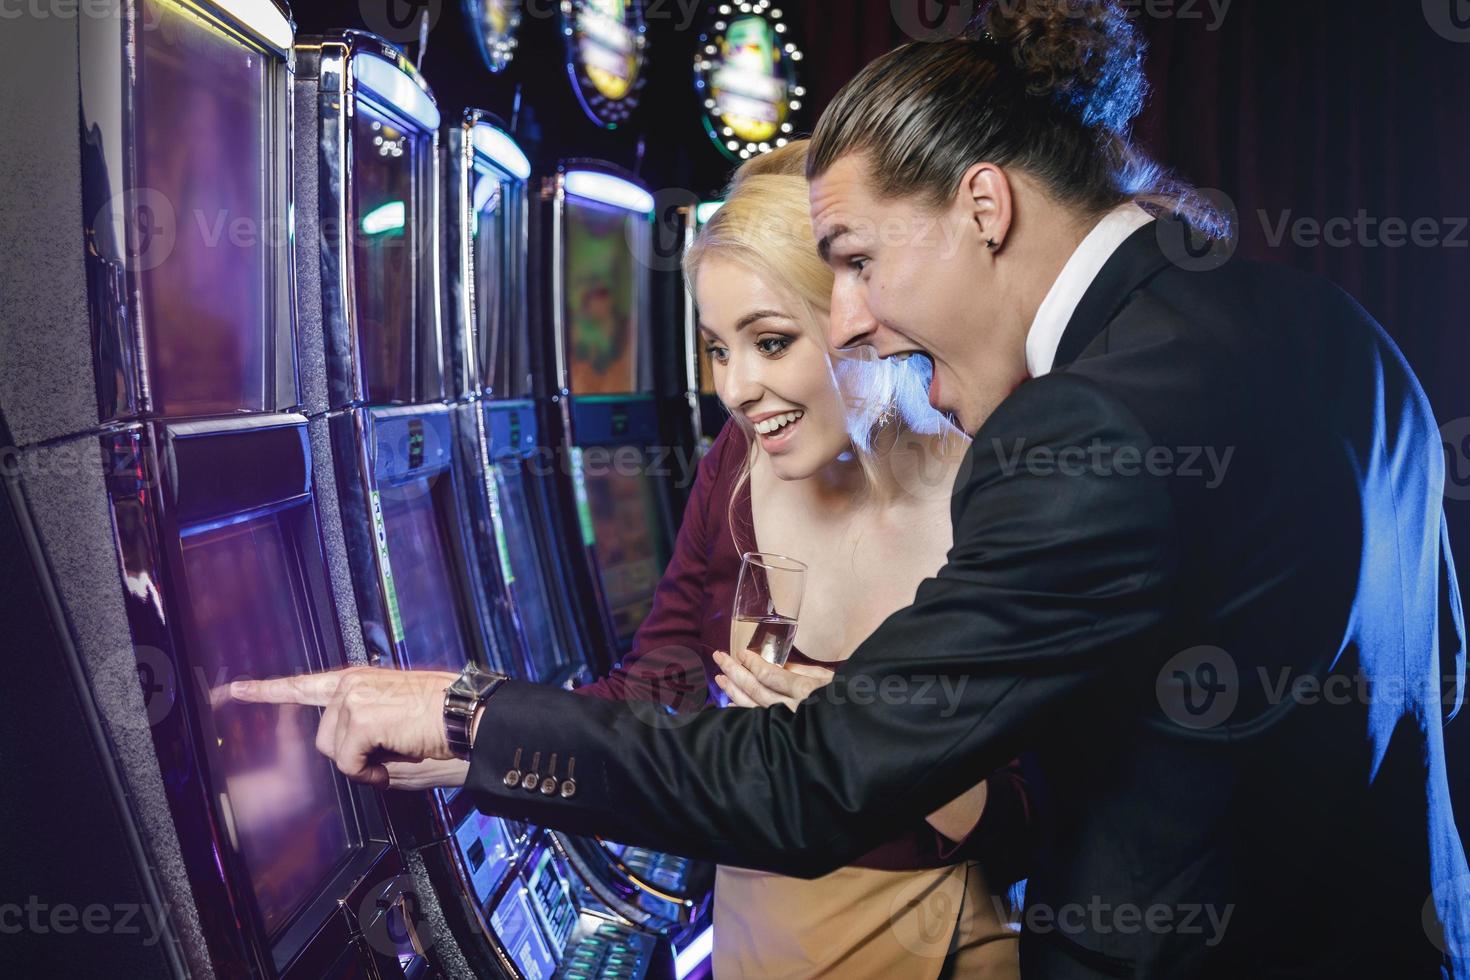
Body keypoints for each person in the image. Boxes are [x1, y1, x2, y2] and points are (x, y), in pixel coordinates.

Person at [234, 1, 1469, 975]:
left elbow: (814, 780)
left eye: (862, 262)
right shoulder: (1332, 325)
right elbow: (1436, 679)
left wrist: (463, 714)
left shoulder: (1083, 425)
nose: (859, 321)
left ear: (984, 205)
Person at [572, 141, 1025, 977]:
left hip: (942, 940)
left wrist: (869, 739)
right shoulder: (733, 468)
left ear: (864, 314)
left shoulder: (1000, 488)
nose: (736, 388)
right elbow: (662, 679)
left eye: (770, 342)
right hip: (757, 926)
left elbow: (1048, 815)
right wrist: (473, 728)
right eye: (718, 349)